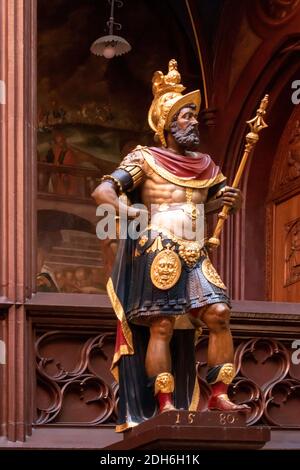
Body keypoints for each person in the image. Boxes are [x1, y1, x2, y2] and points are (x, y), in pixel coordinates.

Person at [92, 59, 250, 432]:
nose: (193, 121)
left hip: (195, 251)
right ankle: (163, 403)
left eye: (194, 115)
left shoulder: (206, 164)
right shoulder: (143, 159)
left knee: (219, 314)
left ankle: (219, 393)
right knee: (161, 325)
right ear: (166, 123)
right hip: (158, 248)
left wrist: (228, 199)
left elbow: (216, 203)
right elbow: (101, 191)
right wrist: (130, 214)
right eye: (185, 116)